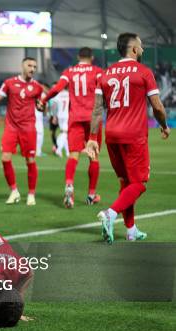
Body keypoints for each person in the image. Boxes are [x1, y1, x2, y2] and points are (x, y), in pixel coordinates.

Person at [86, 33, 169, 243]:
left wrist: (92, 138)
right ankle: (110, 214)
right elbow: (157, 106)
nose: (142, 50)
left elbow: (97, 110)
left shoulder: (104, 75)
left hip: (112, 136)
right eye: (141, 47)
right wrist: (164, 125)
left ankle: (131, 231)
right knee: (139, 184)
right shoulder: (143, 72)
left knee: (125, 183)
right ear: (133, 49)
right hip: (134, 136)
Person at [42, 47, 104, 208]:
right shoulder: (97, 71)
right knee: (93, 156)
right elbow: (107, 89)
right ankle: (91, 195)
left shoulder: (69, 71)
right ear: (91, 57)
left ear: (78, 56)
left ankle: (69, 185)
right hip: (93, 119)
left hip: (75, 118)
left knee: (73, 156)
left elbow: (56, 89)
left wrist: (43, 100)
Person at [0, 57, 45, 206]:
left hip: (28, 128)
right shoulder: (9, 83)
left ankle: (31, 194)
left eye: (35, 67)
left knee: (30, 160)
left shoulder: (37, 87)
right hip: (11, 127)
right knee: (5, 158)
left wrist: (42, 107)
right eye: (30, 65)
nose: (32, 69)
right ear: (22, 66)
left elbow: (41, 106)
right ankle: (14, 191)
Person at [50, 89, 70, 160]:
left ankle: (68, 152)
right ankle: (58, 149)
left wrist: (54, 116)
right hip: (67, 115)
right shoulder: (69, 93)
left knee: (64, 133)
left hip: (60, 115)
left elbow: (53, 105)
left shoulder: (58, 94)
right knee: (65, 133)